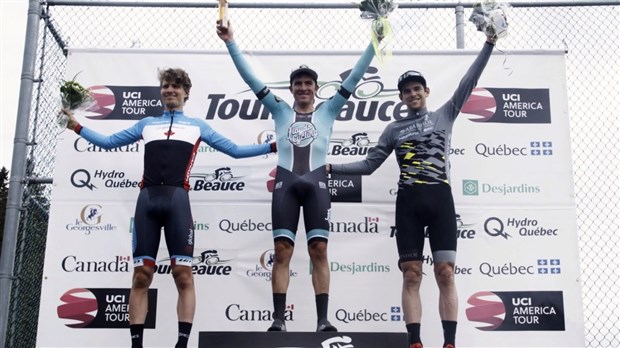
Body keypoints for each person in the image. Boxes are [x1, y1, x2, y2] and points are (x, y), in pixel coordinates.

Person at [61, 68, 275, 348]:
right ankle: (136, 344)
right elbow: (109, 142)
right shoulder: (146, 124)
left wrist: (273, 146)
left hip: (177, 202)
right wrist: (74, 125)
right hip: (147, 201)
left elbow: (234, 150)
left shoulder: (197, 126)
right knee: (141, 276)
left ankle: (181, 344)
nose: (169, 90)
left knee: (183, 275)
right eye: (165, 86)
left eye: (175, 86)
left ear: (186, 92)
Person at [328, 34, 498, 348]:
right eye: (407, 91)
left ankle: (449, 342)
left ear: (426, 92)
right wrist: (331, 168)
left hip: (440, 199)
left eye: (417, 89)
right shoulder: (394, 129)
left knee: (445, 272)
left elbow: (470, 79)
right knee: (411, 275)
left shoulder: (444, 115)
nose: (412, 94)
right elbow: (369, 165)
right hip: (408, 203)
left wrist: (489, 42)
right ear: (402, 98)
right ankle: (415, 342)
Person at [216, 20, 379, 332]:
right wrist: (230, 42)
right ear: (291, 88)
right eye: (298, 83)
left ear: (316, 89)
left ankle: (322, 321)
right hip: (286, 184)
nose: (303, 87)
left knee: (319, 250)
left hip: (317, 183)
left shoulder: (329, 110)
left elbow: (356, 76)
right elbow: (251, 80)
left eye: (308, 83)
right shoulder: (279, 110)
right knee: (282, 251)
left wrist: (376, 41)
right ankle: (279, 319)